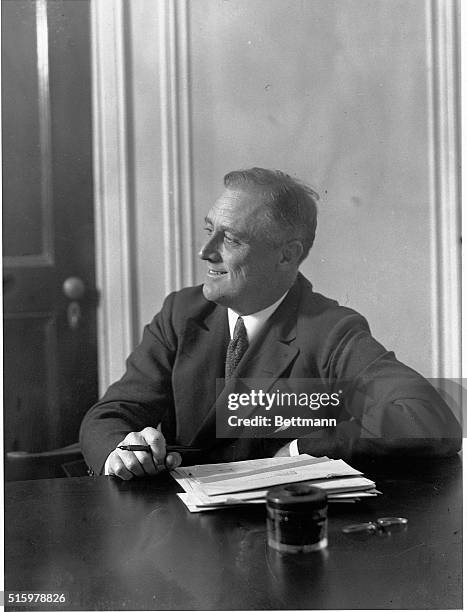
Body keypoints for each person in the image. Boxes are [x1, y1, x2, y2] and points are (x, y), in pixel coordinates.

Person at [80, 168, 461, 479]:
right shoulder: (182, 313)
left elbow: (428, 417)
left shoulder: (331, 331)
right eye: (208, 230)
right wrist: (123, 450)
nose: (205, 251)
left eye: (230, 239)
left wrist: (302, 450)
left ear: (286, 256)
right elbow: (109, 415)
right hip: (180, 534)